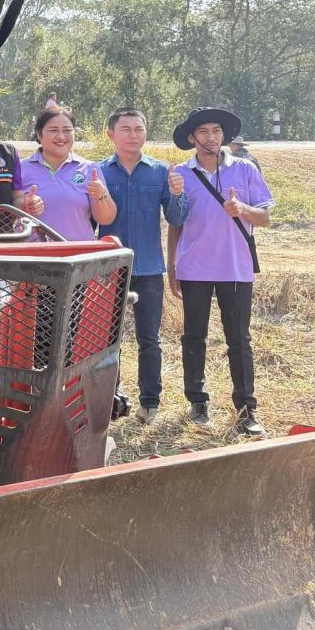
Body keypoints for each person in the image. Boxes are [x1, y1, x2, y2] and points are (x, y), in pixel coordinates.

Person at [167, 107, 274, 437]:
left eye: (216, 131)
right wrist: (172, 265)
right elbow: (175, 223)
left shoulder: (245, 169)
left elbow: (265, 217)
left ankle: (246, 408)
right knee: (194, 337)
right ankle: (197, 403)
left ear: (224, 135)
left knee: (239, 339)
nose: (211, 137)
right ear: (191, 138)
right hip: (195, 267)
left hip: (236, 267)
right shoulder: (180, 175)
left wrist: (241, 209)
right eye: (203, 132)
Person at [97, 108, 189, 424]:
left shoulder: (161, 172)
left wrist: (178, 195)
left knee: (149, 339)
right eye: (126, 129)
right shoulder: (98, 173)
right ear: (111, 134)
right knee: (109, 340)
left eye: (139, 129)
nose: (133, 134)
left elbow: (177, 218)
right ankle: (111, 397)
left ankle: (150, 401)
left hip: (149, 269)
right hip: (109, 269)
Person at [16, 105, 116, 240]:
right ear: (39, 134)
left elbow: (106, 219)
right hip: (34, 256)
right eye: (53, 130)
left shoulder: (89, 168)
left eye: (67, 130)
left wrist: (101, 195)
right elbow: (8, 213)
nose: (61, 136)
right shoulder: (21, 168)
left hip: (78, 255)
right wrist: (24, 205)